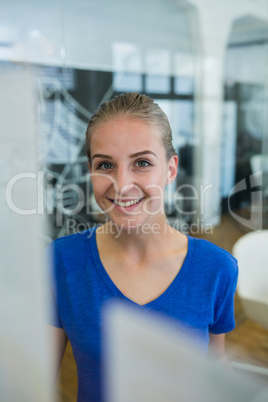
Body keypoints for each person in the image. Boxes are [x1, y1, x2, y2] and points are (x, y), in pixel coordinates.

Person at [48, 92, 238, 402]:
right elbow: (36, 383)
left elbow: (214, 363)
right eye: (106, 165)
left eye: (142, 162)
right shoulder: (61, 262)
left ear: (170, 169)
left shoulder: (217, 269)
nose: (122, 185)